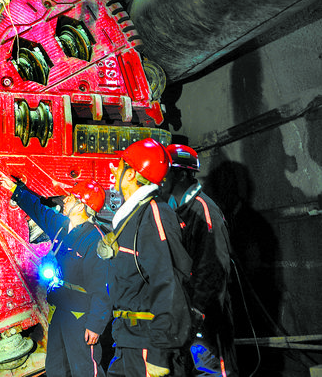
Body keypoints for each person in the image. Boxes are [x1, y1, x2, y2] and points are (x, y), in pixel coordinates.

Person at [0, 172, 111, 377]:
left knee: (85, 368)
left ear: (81, 207)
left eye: (71, 198)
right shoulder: (61, 226)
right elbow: (38, 210)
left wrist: (95, 325)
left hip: (81, 314)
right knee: (56, 366)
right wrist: (15, 190)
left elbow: (102, 288)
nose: (65, 200)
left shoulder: (95, 240)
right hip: (61, 309)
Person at [102, 138, 191, 377]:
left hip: (147, 344)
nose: (115, 169)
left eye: (120, 165)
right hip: (128, 340)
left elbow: (169, 282)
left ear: (131, 174)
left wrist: (159, 353)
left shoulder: (154, 214)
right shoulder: (134, 215)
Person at [161, 144, 238, 377]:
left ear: (182, 175)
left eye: (166, 172)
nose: (161, 178)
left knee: (211, 371)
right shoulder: (175, 209)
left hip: (205, 317)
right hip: (186, 316)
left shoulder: (204, 211)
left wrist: (197, 312)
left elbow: (213, 268)